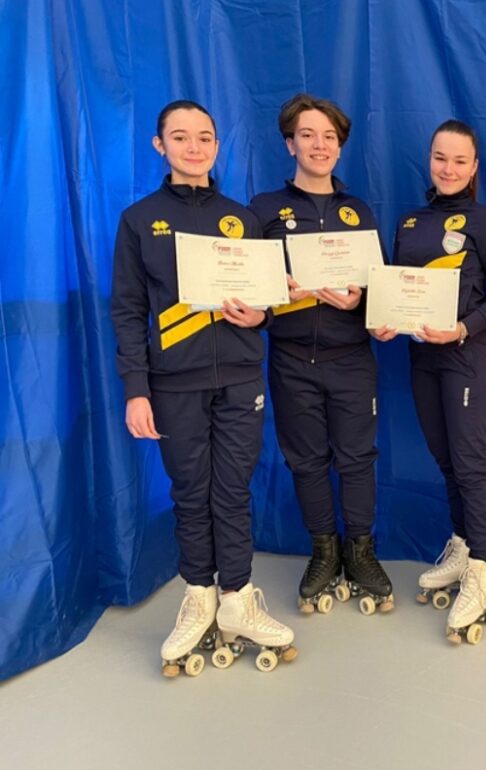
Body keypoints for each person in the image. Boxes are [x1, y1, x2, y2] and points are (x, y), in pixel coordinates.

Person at [112, 100, 295, 676]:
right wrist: (136, 389)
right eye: (181, 137)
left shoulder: (242, 218)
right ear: (159, 145)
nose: (194, 147)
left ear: (218, 145)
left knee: (232, 491)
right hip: (173, 385)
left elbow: (269, 299)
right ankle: (198, 596)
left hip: (240, 379)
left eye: (205, 137)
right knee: (191, 492)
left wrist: (261, 316)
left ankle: (237, 598)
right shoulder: (139, 220)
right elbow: (128, 310)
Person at [373, 119, 486, 643]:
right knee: (447, 460)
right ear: (429, 159)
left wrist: (463, 327)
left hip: (470, 357)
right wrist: (386, 319)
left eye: (460, 160)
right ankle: (462, 543)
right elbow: (398, 288)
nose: (449, 168)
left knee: (472, 463)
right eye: (441, 158)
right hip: (423, 360)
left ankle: (481, 567)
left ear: (474, 167)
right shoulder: (410, 222)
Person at [249, 94, 392, 617]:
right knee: (306, 460)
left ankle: (361, 551)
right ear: (290, 144)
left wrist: (362, 303)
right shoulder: (264, 210)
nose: (319, 145)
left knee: (357, 459)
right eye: (307, 135)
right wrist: (274, 297)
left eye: (329, 136)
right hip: (291, 361)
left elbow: (381, 289)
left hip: (351, 358)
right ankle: (324, 552)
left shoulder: (359, 212)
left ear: (340, 146)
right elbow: (249, 292)